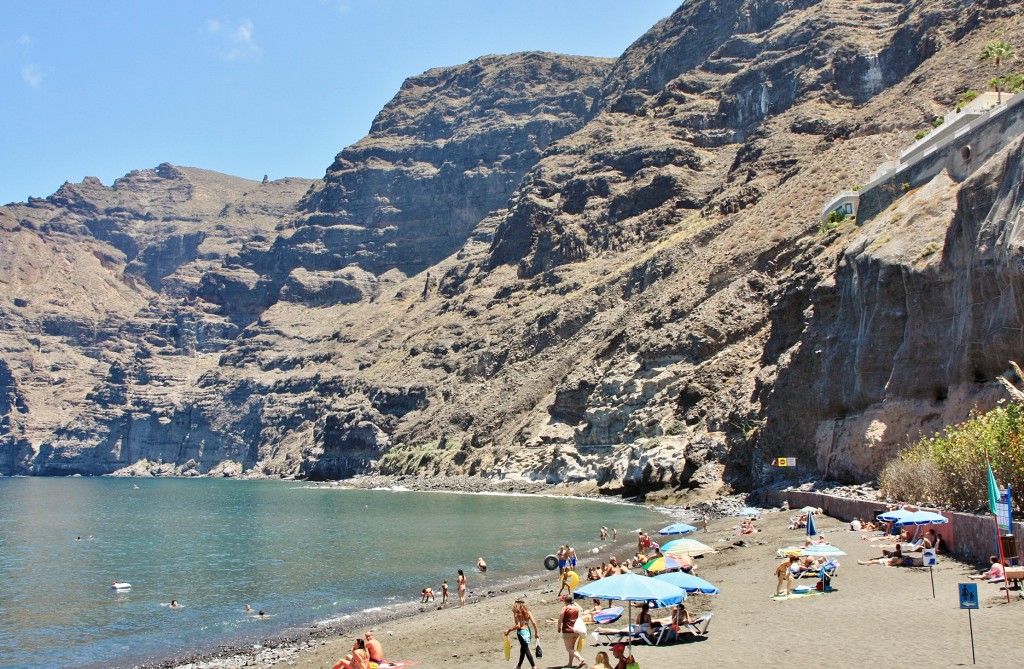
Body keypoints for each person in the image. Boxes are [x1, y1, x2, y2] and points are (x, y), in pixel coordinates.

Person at [504, 598, 539, 669]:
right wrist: (536, 633)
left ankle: (533, 666)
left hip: (521, 633)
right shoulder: (528, 612)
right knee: (523, 649)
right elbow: (534, 623)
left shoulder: (517, 614)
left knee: (525, 649)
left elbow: (518, 625)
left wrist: (509, 630)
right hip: (528, 631)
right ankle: (519, 666)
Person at [557, 596, 586, 669]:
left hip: (568, 630)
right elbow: (581, 609)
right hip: (576, 630)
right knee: (572, 648)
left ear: (565, 601)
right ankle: (570, 664)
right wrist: (574, 603)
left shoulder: (565, 608)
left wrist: (559, 628)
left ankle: (580, 658)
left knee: (569, 649)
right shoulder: (576, 608)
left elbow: (560, 619)